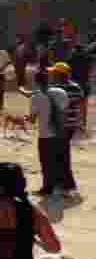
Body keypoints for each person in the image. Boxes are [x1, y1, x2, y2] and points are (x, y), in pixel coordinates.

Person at [26, 70, 69, 196]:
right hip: (61, 134)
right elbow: (64, 112)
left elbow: (33, 120)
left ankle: (47, 188)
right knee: (61, 161)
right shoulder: (61, 92)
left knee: (46, 162)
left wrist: (27, 118)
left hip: (45, 135)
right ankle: (64, 188)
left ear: (36, 82)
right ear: (48, 80)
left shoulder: (35, 97)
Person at [46, 62, 83, 197]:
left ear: (59, 75)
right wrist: (81, 123)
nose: (51, 75)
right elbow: (80, 105)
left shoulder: (55, 88)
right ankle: (63, 184)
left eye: (54, 73)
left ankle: (68, 185)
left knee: (60, 155)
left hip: (59, 126)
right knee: (61, 152)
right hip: (71, 125)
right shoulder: (76, 87)